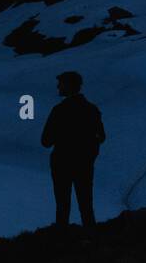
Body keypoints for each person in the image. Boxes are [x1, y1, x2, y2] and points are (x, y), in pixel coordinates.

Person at [40, 72, 106, 229]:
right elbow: (101, 136)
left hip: (62, 162)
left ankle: (62, 240)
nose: (58, 87)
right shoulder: (92, 109)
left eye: (61, 83)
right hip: (84, 163)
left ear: (68, 85)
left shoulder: (59, 110)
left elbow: (45, 141)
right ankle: (90, 237)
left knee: (62, 204)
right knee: (86, 204)